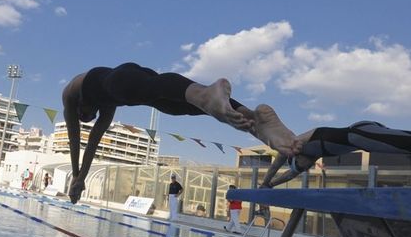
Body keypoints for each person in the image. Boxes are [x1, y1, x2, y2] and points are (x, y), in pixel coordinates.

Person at [63, 62, 300, 203]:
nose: (89, 117)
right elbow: (93, 142)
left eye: (85, 116)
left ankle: (206, 94)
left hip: (121, 79)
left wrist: (77, 176)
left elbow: (78, 142)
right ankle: (254, 120)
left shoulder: (71, 94)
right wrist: (80, 179)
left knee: (147, 90)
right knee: (175, 106)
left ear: (77, 111)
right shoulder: (106, 105)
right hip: (135, 79)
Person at [261, 121, 411, 188]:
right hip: (362, 138)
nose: (305, 168)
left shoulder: (297, 143)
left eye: (301, 166)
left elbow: (275, 166)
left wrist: (264, 183)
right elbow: (290, 175)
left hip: (359, 134)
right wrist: (272, 185)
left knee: (403, 142)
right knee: (401, 147)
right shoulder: (314, 155)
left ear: (295, 157)